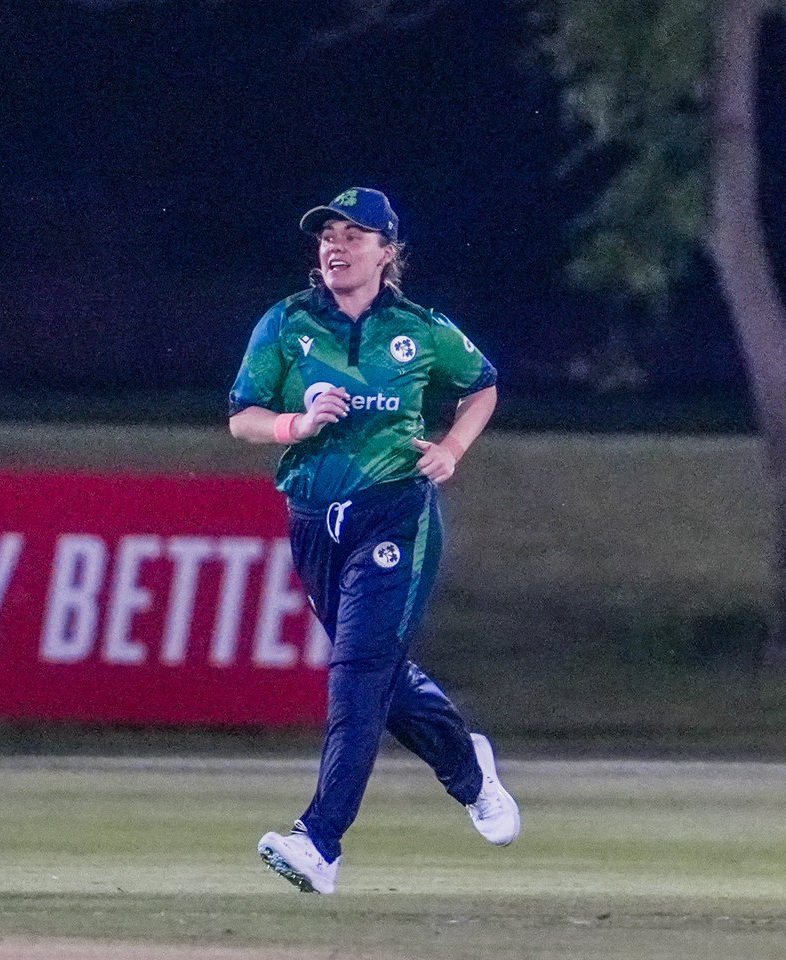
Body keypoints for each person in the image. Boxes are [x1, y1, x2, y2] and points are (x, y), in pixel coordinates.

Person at [228, 187, 519, 895]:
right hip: (313, 522)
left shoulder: (419, 329)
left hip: (395, 514)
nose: (335, 246)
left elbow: (481, 385)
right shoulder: (288, 323)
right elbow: (243, 417)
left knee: (357, 675)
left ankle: (320, 843)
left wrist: (451, 447)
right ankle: (467, 768)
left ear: (387, 252)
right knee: (381, 680)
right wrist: (297, 424)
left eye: (354, 236)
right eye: (328, 235)